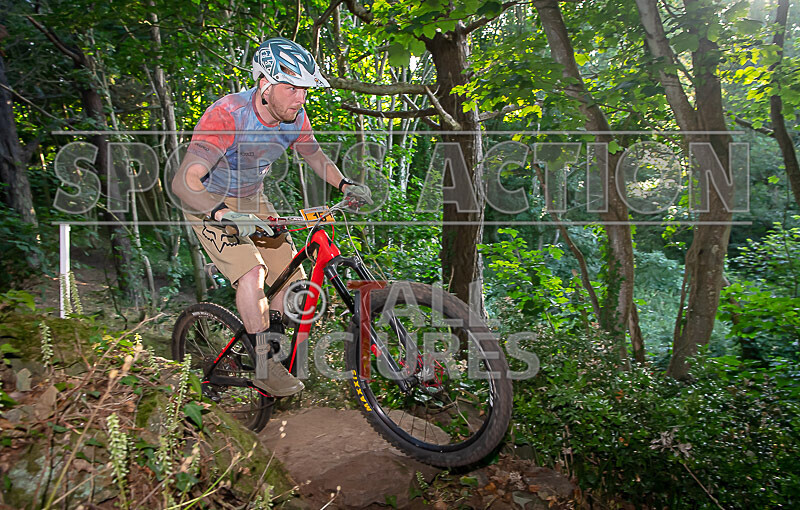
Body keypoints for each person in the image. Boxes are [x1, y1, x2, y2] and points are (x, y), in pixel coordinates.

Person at [172, 37, 371, 397]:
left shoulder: (294, 115)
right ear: (265, 85)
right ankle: (264, 367)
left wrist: (344, 184)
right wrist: (222, 213)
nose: (301, 97)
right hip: (208, 201)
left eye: (306, 89)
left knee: (290, 279)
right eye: (293, 87)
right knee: (253, 272)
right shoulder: (228, 115)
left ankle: (266, 346)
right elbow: (184, 181)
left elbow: (313, 153)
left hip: (253, 199)